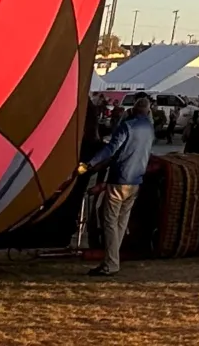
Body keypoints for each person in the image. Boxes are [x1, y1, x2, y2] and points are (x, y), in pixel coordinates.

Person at [78, 94, 154, 276]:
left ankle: (111, 263)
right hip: (136, 180)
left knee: (109, 221)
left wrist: (89, 163)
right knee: (121, 221)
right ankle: (113, 259)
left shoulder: (126, 126)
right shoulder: (149, 128)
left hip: (119, 178)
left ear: (133, 110)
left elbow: (111, 149)